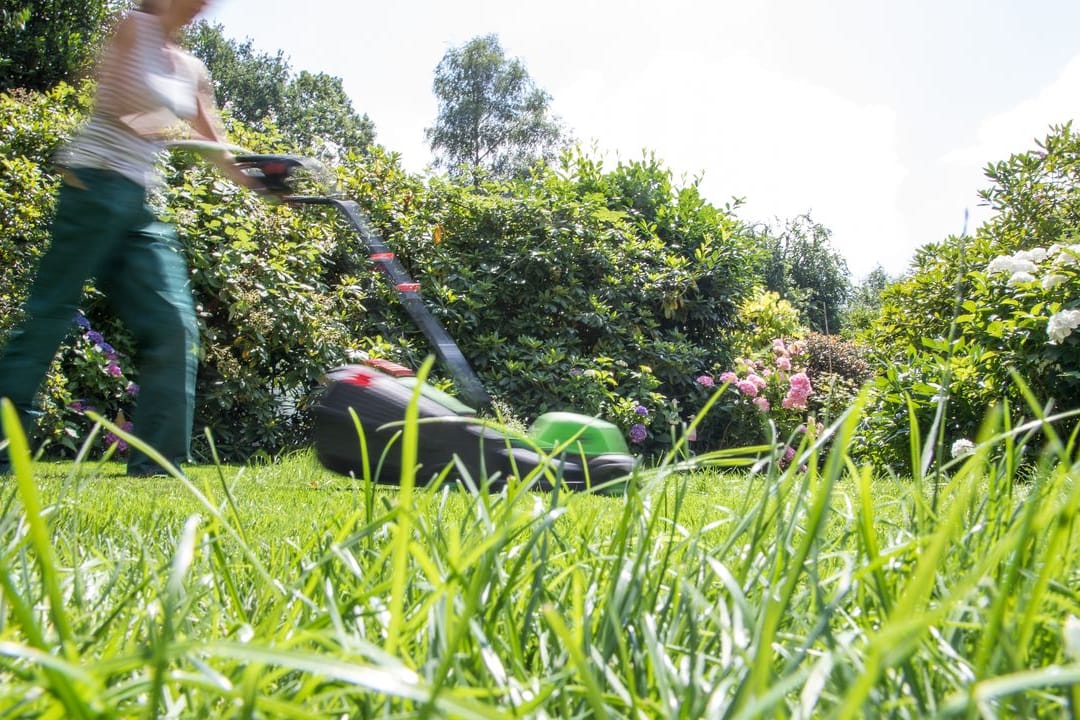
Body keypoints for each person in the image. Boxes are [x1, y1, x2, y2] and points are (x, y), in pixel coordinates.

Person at [0, 0, 258, 476]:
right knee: (50, 314)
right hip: (93, 184)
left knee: (174, 326)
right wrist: (169, 129)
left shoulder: (192, 67)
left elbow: (214, 139)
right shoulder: (133, 29)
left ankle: (158, 465)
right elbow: (119, 106)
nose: (202, 5)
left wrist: (258, 178)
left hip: (140, 202)